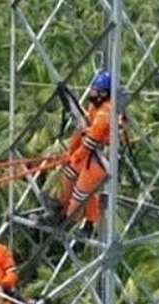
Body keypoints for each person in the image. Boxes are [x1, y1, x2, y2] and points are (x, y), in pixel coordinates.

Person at [57, 70, 116, 229]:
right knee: (68, 173)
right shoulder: (95, 107)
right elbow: (83, 130)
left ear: (104, 93)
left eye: (95, 91)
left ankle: (72, 219)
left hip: (101, 159)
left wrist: (75, 155)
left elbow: (91, 139)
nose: (92, 93)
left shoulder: (106, 112)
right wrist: (70, 153)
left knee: (81, 193)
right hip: (91, 155)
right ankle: (60, 208)